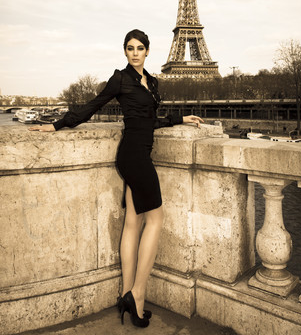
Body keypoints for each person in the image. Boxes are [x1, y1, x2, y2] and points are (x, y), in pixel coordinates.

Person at [29, 29, 203, 329]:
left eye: (139, 48)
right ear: (125, 52)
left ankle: (126, 294)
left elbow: (149, 121)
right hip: (133, 157)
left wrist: (180, 118)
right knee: (157, 220)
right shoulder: (120, 79)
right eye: (129, 48)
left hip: (139, 154)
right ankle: (138, 294)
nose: (134, 53)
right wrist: (58, 125)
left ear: (147, 51)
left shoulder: (152, 82)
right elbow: (93, 106)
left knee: (134, 222)